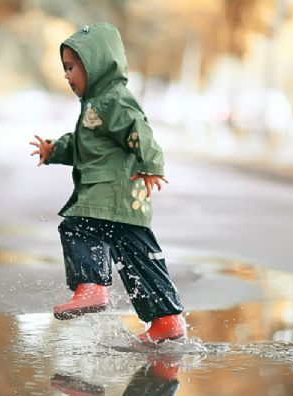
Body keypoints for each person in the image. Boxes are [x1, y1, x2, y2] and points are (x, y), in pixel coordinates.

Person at [29, 23, 185, 344]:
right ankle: (166, 322)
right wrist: (53, 149)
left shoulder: (113, 100)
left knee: (76, 228)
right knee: (140, 258)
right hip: (125, 204)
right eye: (65, 69)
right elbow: (82, 145)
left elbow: (139, 131)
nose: (67, 76)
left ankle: (91, 287)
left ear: (96, 64)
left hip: (108, 195)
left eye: (71, 68)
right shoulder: (95, 104)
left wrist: (151, 164)